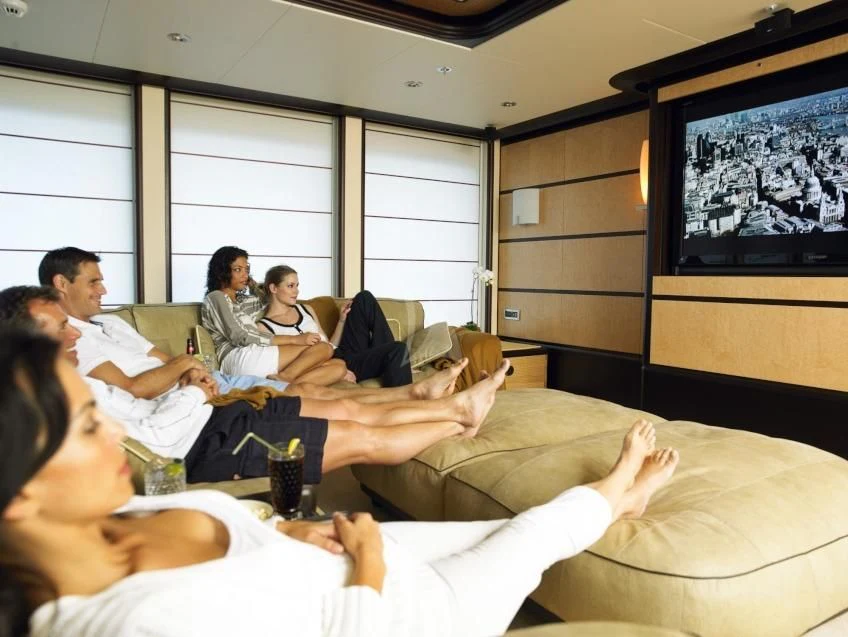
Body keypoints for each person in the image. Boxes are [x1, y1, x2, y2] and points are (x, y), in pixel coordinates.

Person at [0, 328, 679, 637]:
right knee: (532, 532)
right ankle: (621, 483)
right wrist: (371, 563)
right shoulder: (133, 623)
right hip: (403, 610)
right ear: (21, 494)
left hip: (342, 549)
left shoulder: (120, 513)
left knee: (504, 524)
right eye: (88, 424)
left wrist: (290, 528)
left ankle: (619, 496)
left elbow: (246, 545)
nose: (116, 432)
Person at [0, 286, 504, 485]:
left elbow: (149, 398)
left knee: (347, 411)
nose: (73, 332)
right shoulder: (48, 400)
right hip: (208, 442)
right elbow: (155, 441)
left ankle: (443, 402)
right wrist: (195, 387)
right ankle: (456, 416)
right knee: (359, 438)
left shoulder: (67, 375)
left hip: (218, 416)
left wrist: (192, 382)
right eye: (57, 328)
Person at [38, 246, 289, 399]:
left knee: (305, 390)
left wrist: (191, 368)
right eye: (94, 282)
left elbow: (164, 358)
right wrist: (187, 365)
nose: (103, 290)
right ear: (61, 283)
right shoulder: (68, 341)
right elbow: (132, 388)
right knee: (300, 399)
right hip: (183, 393)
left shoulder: (110, 321)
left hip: (205, 379)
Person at [202, 247, 348, 386]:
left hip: (255, 354)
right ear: (222, 272)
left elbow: (269, 295)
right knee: (324, 348)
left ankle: (283, 388)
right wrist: (295, 340)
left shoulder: (243, 302)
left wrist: (250, 282)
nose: (244, 274)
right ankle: (286, 377)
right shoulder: (216, 297)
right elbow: (239, 337)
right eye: (237, 270)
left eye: (247, 269)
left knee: (338, 367)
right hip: (238, 357)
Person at [262, 264, 413, 387]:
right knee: (397, 349)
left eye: (297, 285)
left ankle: (389, 363)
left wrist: (342, 320)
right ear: (274, 288)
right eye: (290, 286)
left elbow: (329, 344)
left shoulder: (305, 309)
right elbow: (292, 363)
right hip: (334, 364)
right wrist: (339, 372)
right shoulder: (264, 327)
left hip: (341, 352)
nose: (297, 291)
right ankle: (394, 367)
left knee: (364, 298)